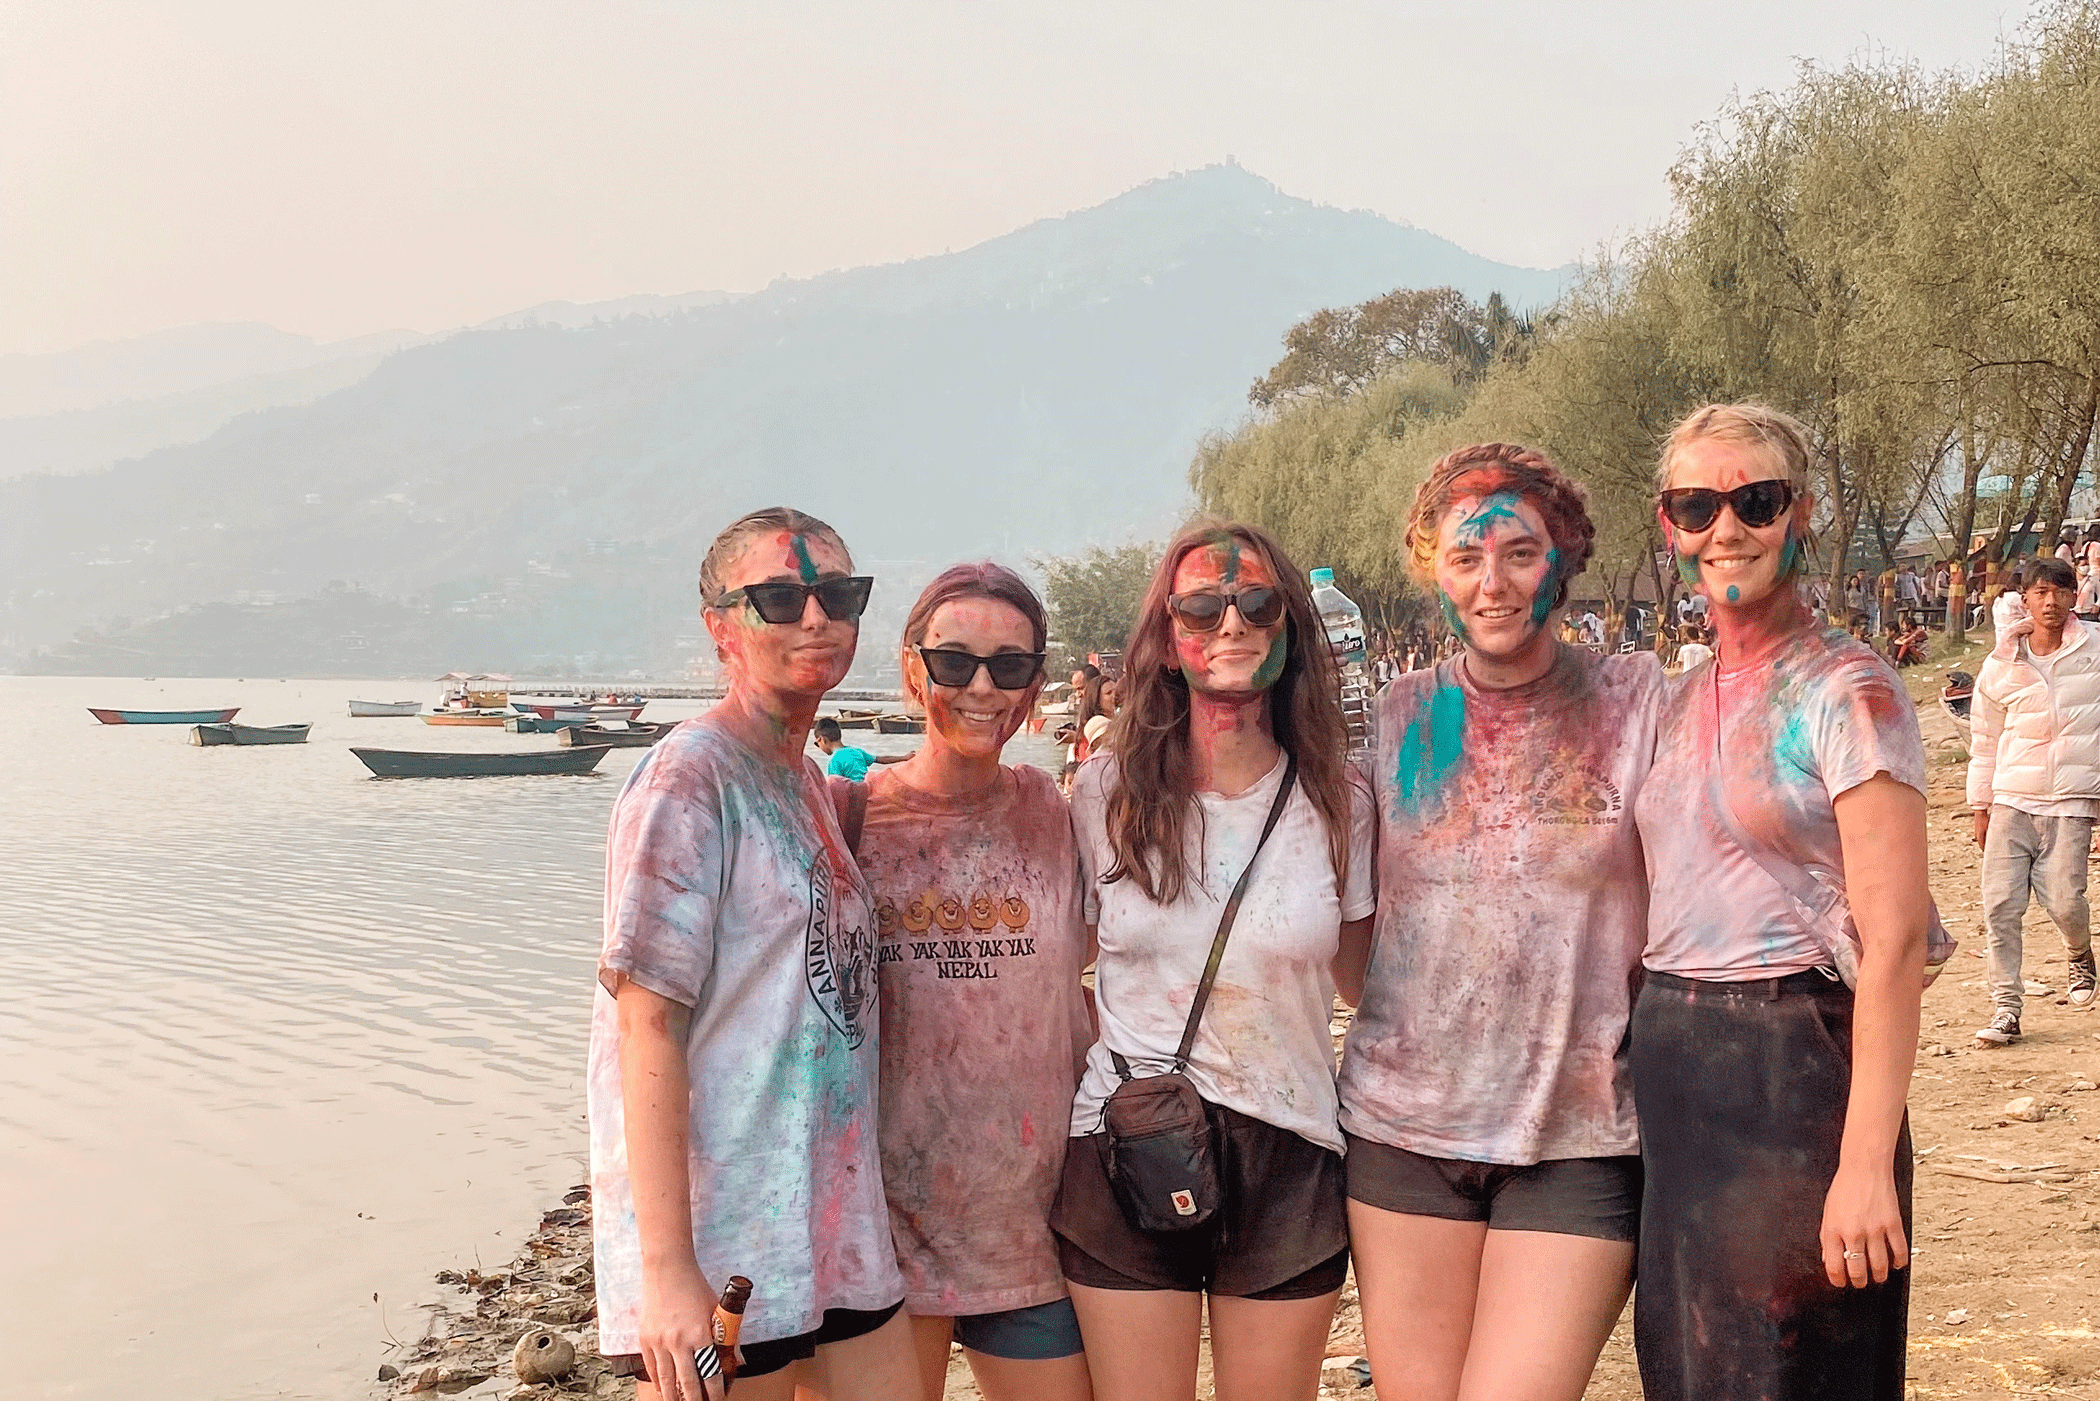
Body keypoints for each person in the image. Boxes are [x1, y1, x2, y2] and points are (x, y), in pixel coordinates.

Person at [1339, 445, 1661, 1401]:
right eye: (1465, 557)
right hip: (1403, 1137)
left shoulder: (1637, 702)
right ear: (1429, 568)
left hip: (1581, 1136)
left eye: (1520, 553)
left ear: (1563, 557)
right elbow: (1354, 934)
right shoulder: (1397, 718)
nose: (1494, 582)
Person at [587, 507, 918, 1401]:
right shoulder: (687, 777)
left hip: (833, 1236)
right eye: (780, 596)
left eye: (837, 594)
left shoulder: (808, 779)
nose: (815, 617)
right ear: (721, 628)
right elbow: (646, 1021)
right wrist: (667, 1273)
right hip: (724, 1251)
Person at [1636, 404, 1929, 1400]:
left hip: (1796, 1072)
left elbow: (1891, 944)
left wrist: (1863, 1166)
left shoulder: (1850, 691)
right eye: (1697, 504)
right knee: (1694, 1372)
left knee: (1797, 1373)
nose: (1726, 528)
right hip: (1681, 1081)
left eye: (1755, 501)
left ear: (1799, 513)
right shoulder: (1680, 698)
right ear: (1667, 522)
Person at [1050, 521, 1376, 1401]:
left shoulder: (1340, 799)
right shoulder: (1100, 793)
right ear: (1165, 638)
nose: (1230, 622)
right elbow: (1056, 965)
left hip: (1290, 1150)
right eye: (1202, 604)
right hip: (1132, 1141)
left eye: (1256, 602)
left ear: (1288, 627)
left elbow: (1363, 980)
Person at [843, 563, 1096, 1401]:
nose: (982, 687)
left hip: (1031, 1230)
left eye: (1010, 666)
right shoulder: (848, 818)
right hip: (881, 1239)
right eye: (954, 662)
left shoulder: (1056, 815)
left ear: (1035, 684)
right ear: (913, 669)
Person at [1968, 555, 2100, 1045]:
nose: (2050, 602)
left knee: (2066, 900)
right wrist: (1981, 804)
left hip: (2072, 799)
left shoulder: (2094, 652)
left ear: (2073, 597)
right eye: (2040, 592)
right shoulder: (2002, 664)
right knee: (2000, 906)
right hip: (2011, 799)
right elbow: (1984, 737)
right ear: (2024, 599)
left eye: (2060, 592)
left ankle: (2078, 952)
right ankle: (2006, 1009)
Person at [814, 716, 906, 782]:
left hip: (851, 796)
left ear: (821, 739)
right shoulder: (857, 752)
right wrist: (904, 758)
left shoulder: (834, 760)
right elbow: (882, 759)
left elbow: (834, 786)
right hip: (865, 789)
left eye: (817, 744)